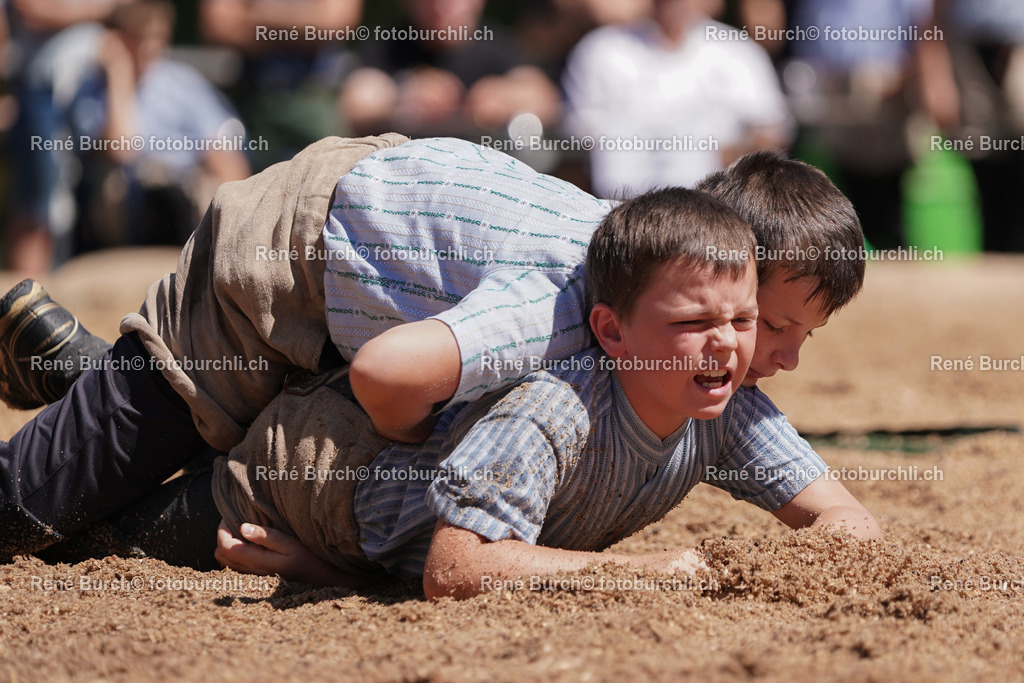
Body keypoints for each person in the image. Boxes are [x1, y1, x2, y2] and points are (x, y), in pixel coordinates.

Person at [0, 139, 871, 565]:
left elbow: (836, 513)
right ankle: (91, 390)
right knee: (36, 507)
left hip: (382, 274)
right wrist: (425, 459)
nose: (774, 354)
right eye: (776, 322)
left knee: (169, 452)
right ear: (717, 261)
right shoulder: (565, 313)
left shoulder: (653, 286)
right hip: (289, 255)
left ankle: (77, 373)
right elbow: (388, 379)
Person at [562, 0, 791, 197]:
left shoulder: (737, 52)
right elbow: (576, 136)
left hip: (718, 208)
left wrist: (717, 156)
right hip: (616, 208)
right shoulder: (600, 50)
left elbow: (771, 134)